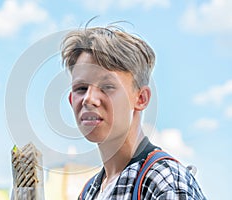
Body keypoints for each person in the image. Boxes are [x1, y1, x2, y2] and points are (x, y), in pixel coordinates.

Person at [61, 25, 206, 199]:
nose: (89, 99)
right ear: (71, 100)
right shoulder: (89, 192)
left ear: (141, 98)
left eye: (107, 86)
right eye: (81, 88)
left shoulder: (163, 181)